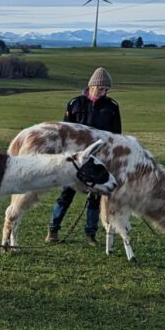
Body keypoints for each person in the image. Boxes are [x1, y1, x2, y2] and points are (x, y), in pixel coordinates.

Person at [46, 68, 121, 244]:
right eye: (102, 88)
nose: (104, 92)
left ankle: (90, 234)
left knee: (95, 196)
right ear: (92, 86)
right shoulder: (74, 104)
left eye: (107, 90)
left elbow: (116, 136)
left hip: (99, 160)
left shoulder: (112, 107)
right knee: (66, 194)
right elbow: (65, 132)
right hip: (76, 160)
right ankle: (53, 230)